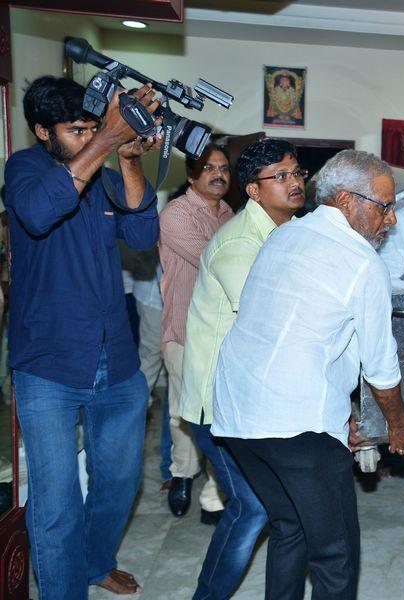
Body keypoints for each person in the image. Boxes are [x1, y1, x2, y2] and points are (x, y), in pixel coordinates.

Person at [211, 149, 404, 599]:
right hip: (293, 424)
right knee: (336, 556)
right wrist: (400, 425)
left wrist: (342, 411)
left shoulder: (287, 234)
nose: (391, 220)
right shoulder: (361, 261)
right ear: (347, 201)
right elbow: (381, 367)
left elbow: (309, 336)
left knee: (291, 528)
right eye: (384, 206)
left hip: (236, 415)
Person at [4, 76, 161, 598]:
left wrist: (130, 158)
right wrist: (105, 142)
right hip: (47, 366)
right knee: (56, 503)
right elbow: (38, 212)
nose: (93, 136)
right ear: (42, 131)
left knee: (118, 486)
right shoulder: (24, 170)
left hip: (115, 363)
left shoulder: (105, 179)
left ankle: (95, 563)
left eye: (96, 127)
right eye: (78, 131)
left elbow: (141, 235)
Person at [180, 139, 305, 598]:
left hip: (252, 401)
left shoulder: (287, 231)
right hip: (216, 404)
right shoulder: (237, 245)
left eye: (297, 174)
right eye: (281, 176)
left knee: (277, 505)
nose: (294, 184)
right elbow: (266, 320)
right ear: (253, 190)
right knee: (251, 508)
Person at [159, 145, 233, 521]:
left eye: (223, 168)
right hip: (185, 331)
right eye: (208, 168)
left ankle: (214, 491)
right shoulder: (176, 215)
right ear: (191, 175)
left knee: (217, 415)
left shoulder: (228, 213)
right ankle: (181, 475)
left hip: (221, 333)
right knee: (182, 413)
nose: (218, 174)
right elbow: (214, 261)